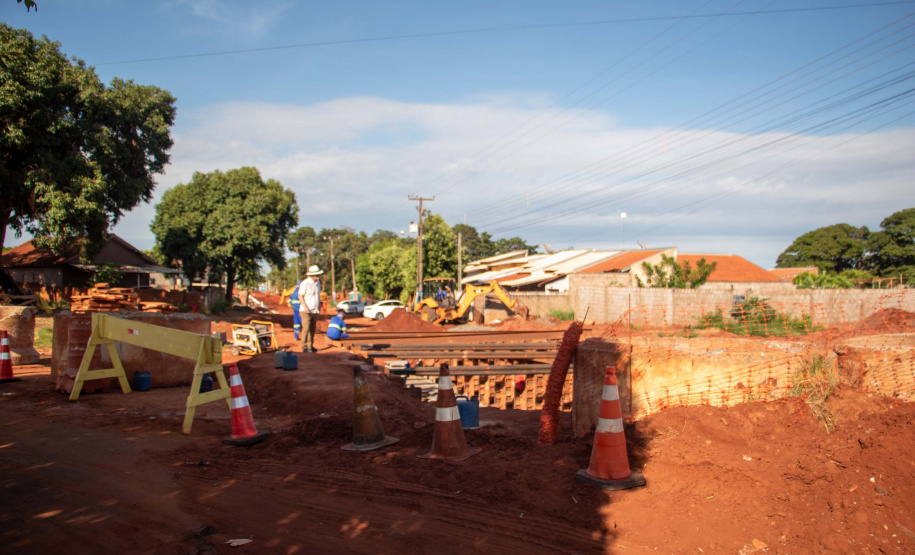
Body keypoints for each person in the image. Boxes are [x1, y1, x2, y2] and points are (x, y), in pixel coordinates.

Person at [298, 266, 323, 353]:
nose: (318, 277)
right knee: (306, 328)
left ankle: (310, 346)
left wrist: (319, 307)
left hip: (314, 310)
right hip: (306, 310)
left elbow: (318, 295)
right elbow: (300, 295)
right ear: (312, 275)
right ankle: (304, 346)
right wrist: (305, 307)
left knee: (312, 328)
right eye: (316, 275)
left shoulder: (318, 283)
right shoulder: (305, 283)